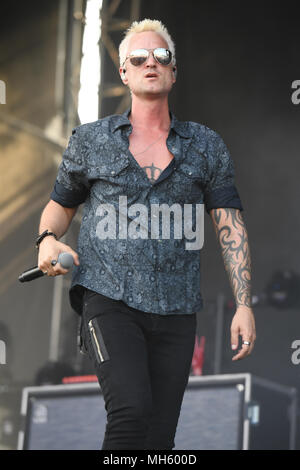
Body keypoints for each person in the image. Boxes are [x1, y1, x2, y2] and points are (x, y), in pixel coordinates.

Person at [37, 18, 256, 450]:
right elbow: (59, 206)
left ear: (174, 71)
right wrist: (46, 239)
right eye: (138, 58)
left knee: (159, 438)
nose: (150, 63)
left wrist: (244, 304)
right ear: (124, 72)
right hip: (108, 297)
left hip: (177, 308)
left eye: (161, 57)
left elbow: (229, 223)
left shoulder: (205, 145)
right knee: (130, 411)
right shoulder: (91, 140)